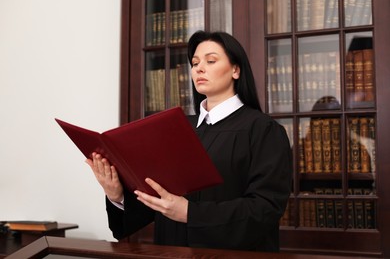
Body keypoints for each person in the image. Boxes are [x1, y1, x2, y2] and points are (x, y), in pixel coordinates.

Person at [86, 31, 292, 252]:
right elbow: (160, 198)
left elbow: (265, 208)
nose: (198, 68)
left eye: (210, 61)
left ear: (235, 69)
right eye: (194, 63)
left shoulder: (263, 130)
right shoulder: (176, 128)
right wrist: (117, 196)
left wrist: (190, 213)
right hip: (170, 252)